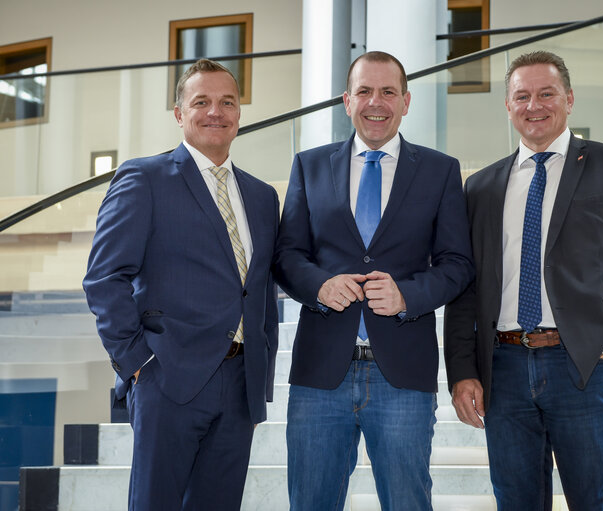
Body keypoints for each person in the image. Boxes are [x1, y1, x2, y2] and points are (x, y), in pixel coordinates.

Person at [444, 50, 603, 510]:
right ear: (507, 106)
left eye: (546, 94)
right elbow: (466, 287)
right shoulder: (481, 186)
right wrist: (463, 371)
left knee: (595, 501)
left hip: (582, 365)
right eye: (521, 96)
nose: (534, 106)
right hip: (502, 370)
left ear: (568, 99)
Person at [274, 51, 473, 510]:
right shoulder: (309, 165)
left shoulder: (441, 171)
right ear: (347, 101)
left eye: (387, 92)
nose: (375, 102)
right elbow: (286, 255)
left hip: (402, 373)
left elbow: (458, 263)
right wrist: (320, 286)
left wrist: (408, 295)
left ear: (406, 101)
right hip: (319, 374)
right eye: (364, 91)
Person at [83, 59, 279, 511]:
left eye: (227, 102)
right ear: (179, 113)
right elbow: (103, 277)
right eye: (202, 102)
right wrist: (139, 365)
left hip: (239, 386)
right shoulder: (144, 178)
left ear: (239, 113)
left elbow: (260, 291)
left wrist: (259, 379)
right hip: (168, 378)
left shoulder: (263, 196)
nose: (216, 111)